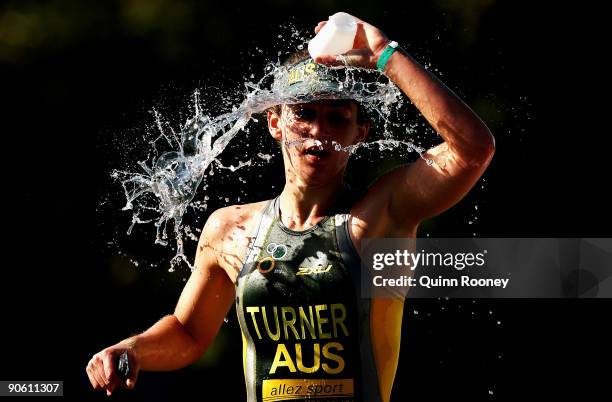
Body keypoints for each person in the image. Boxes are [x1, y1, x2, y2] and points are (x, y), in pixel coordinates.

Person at [86, 14, 495, 402]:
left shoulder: (382, 215)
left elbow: (472, 150)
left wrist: (385, 54)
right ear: (275, 122)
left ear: (360, 133)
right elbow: (189, 333)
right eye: (303, 113)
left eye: (337, 118)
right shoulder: (230, 230)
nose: (318, 133)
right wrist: (131, 348)